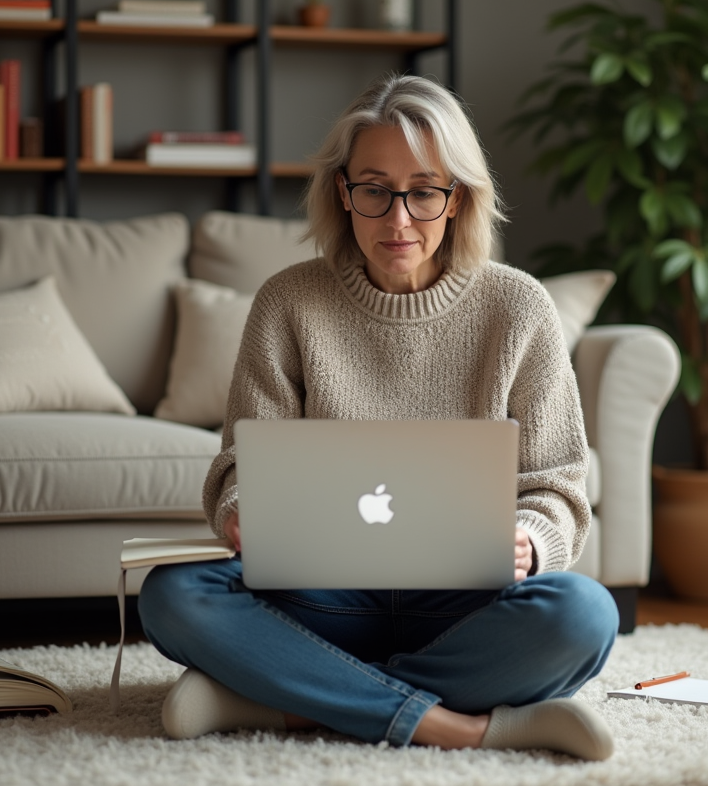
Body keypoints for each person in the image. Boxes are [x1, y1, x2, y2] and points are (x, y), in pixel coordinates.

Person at [137, 73, 619, 761]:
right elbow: (239, 466)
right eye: (375, 190)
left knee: (584, 615)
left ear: (458, 198)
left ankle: (283, 703)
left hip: (463, 607)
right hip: (319, 602)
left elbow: (561, 487)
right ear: (343, 193)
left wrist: (530, 540)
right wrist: (245, 509)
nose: (399, 220)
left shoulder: (519, 308)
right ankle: (465, 726)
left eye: (424, 191)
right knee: (173, 596)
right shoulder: (287, 303)